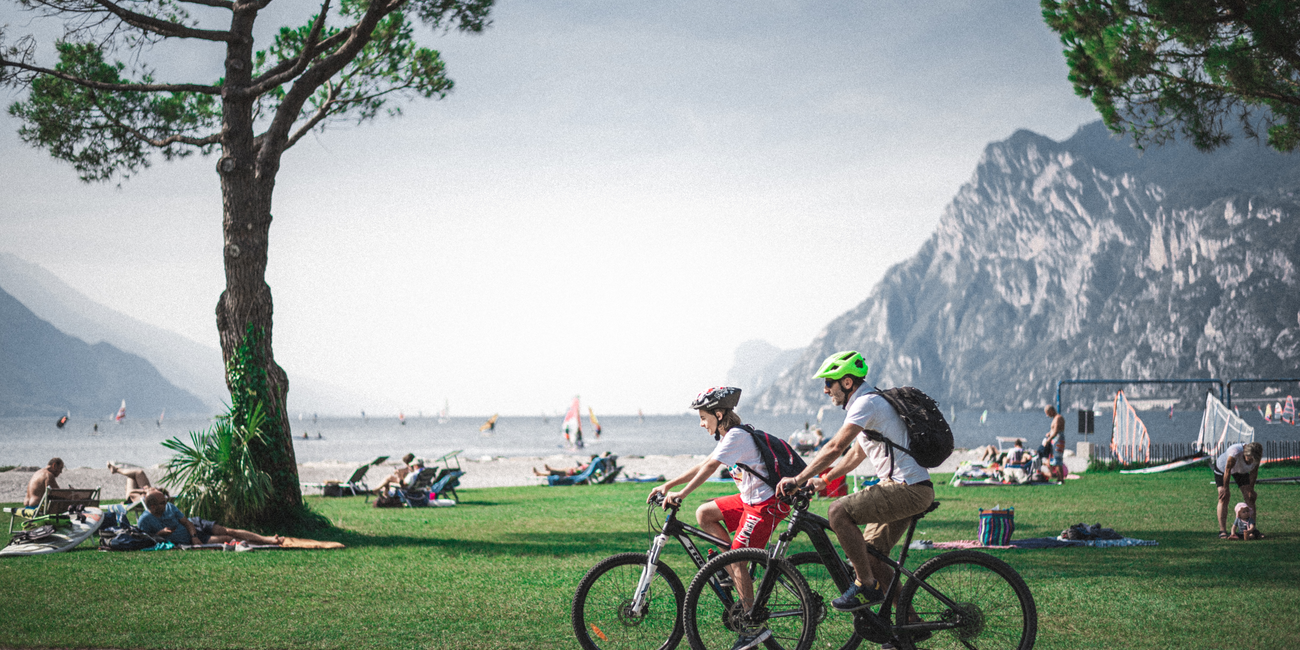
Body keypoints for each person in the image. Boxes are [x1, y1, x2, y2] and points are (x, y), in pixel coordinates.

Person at [776, 351, 934, 618]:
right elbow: (853, 457)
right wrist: (822, 480)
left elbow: (835, 447)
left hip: (905, 488)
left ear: (847, 383)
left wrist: (797, 478)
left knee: (837, 512)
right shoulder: (874, 404)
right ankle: (909, 626)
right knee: (871, 555)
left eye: (829, 382)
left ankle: (865, 585)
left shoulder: (866, 404)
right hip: (913, 488)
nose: (825, 390)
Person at [648, 386, 790, 650]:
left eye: (704, 418)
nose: (702, 424)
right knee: (705, 514)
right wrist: (669, 485)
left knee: (737, 558)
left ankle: (751, 625)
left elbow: (711, 468)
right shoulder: (729, 437)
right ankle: (730, 569)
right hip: (750, 501)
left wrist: (682, 494)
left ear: (720, 413)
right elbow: (705, 464)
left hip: (766, 505)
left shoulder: (736, 435)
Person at [137, 489, 282, 546]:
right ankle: (262, 545)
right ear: (153, 507)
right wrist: (159, 534)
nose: (167, 503)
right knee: (227, 539)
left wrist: (194, 536)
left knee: (228, 530)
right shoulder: (145, 520)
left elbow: (187, 523)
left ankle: (266, 539)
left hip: (195, 526)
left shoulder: (170, 508)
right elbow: (144, 540)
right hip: (187, 540)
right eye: (163, 502)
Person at [1215, 441, 1264, 539]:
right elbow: (1227, 470)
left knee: (1250, 498)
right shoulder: (1235, 452)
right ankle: (1222, 530)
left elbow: (1254, 472)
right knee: (1224, 497)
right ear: (1245, 454)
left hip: (1241, 471)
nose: (1250, 462)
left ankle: (1252, 529)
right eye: (1249, 460)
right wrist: (1225, 489)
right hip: (1223, 470)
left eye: (1252, 461)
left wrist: (1251, 489)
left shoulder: (1257, 455)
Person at [1041, 405, 1066, 482]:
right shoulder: (1055, 418)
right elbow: (1054, 430)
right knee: (1055, 460)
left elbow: (1055, 432)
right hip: (1055, 440)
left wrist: (1048, 440)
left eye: (1048, 413)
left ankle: (1061, 479)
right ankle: (1059, 478)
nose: (1047, 415)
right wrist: (1049, 433)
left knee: (1057, 460)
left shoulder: (1058, 418)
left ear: (1051, 411)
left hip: (1058, 440)